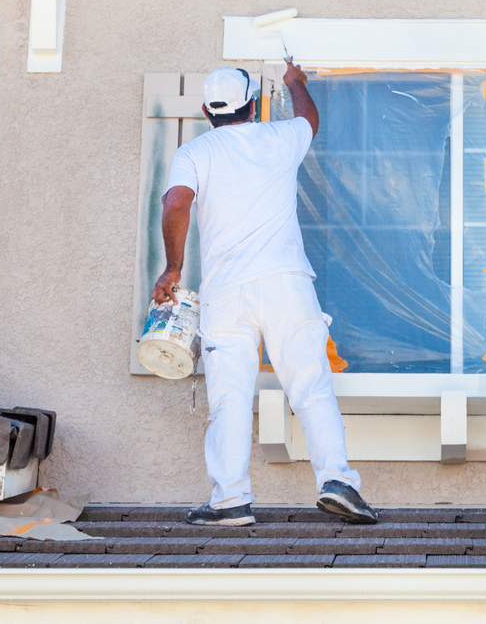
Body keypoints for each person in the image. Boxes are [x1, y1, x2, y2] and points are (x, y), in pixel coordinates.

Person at [152, 63, 376, 526]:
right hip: (286, 284)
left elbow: (176, 204)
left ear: (204, 112)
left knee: (229, 398)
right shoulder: (279, 138)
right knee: (310, 387)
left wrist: (172, 269)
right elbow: (308, 119)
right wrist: (296, 83)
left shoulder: (193, 152)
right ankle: (338, 482)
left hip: (226, 294)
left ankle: (230, 501)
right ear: (253, 105)